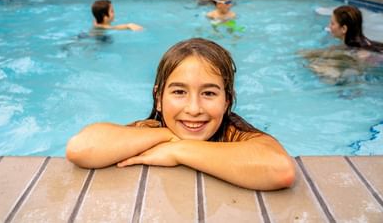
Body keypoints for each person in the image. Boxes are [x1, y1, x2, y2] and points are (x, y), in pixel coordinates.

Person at [66, 38, 295, 191]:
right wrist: (167, 136)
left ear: (226, 101)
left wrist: (178, 150)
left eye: (208, 93)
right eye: (179, 91)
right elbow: (81, 148)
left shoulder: (234, 134)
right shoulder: (153, 131)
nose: (194, 109)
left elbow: (280, 169)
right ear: (158, 98)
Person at [301, 5, 383, 83]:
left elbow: (355, 77)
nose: (329, 26)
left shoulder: (358, 53)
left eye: (332, 23)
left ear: (344, 29)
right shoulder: (363, 43)